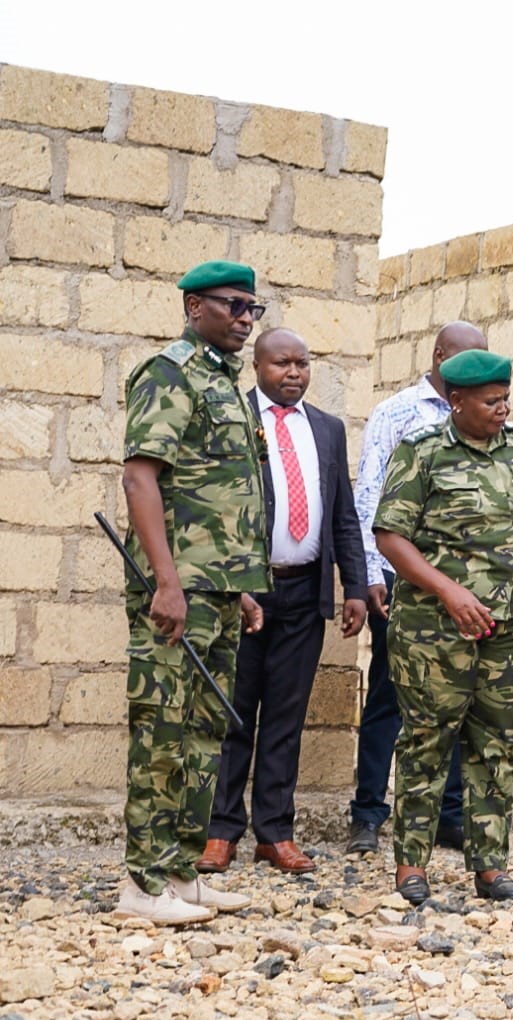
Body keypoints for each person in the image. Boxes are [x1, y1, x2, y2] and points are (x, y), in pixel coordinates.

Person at [373, 349, 513, 904]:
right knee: (426, 741)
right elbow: (390, 537)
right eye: (490, 402)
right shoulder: (422, 453)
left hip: (511, 627)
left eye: (505, 399)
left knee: (495, 744)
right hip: (435, 630)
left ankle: (489, 865)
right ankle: (411, 866)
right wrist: (447, 589)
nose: (502, 409)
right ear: (456, 400)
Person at [115, 260, 270, 925]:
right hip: (178, 591)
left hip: (219, 589)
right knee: (162, 731)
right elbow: (140, 478)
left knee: (206, 732)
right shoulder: (171, 372)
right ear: (192, 305)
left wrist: (241, 587)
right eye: (232, 305)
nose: (243, 318)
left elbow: (226, 494)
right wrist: (168, 580)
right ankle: (142, 882)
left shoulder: (228, 384)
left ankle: (183, 870)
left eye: (252, 309)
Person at [200, 329, 366, 875]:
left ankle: (274, 832)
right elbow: (218, 509)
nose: (293, 373)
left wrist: (356, 589)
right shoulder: (236, 419)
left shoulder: (327, 429)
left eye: (302, 363)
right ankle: (221, 830)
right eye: (282, 364)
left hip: (304, 591)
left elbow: (343, 515)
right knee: (235, 712)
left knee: (286, 716)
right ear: (257, 366)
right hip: (247, 591)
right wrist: (230, 580)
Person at [346, 323, 484, 856]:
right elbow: (370, 495)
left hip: (461, 588)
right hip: (401, 581)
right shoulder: (397, 413)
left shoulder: (482, 414)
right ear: (439, 355)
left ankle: (448, 815)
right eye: (465, 362)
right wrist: (372, 574)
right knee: (389, 696)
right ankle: (368, 814)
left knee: (456, 699)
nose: (473, 374)